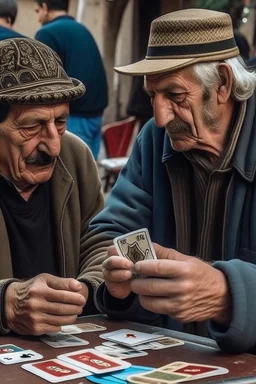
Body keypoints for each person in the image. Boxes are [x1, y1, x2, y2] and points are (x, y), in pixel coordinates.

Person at [85, 9, 256, 354]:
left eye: (176, 97)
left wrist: (229, 295)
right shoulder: (153, 141)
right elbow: (107, 234)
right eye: (152, 96)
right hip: (169, 358)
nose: (160, 118)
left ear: (222, 84)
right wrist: (117, 283)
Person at [0, 37, 105, 336]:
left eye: (60, 122)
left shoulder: (76, 156)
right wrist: (5, 303)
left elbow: (98, 241)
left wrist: (86, 290)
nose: (54, 146)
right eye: (32, 126)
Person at [33, 0, 108, 160]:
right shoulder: (82, 29)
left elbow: (43, 82)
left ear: (45, 8)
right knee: (88, 174)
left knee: (70, 174)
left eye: (37, 11)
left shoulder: (47, 33)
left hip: (74, 116)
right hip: (96, 114)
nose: (38, 18)